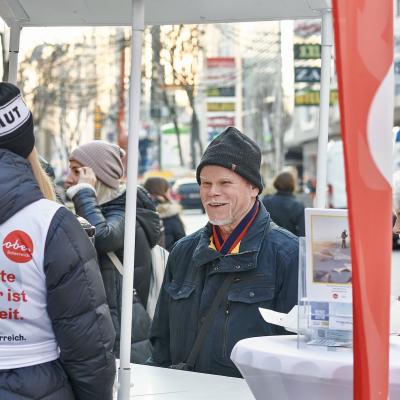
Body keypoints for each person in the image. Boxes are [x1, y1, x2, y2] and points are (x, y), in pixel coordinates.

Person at [150, 126, 299, 377]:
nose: (212, 192)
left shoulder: (288, 254)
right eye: (205, 183)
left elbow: (296, 354)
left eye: (224, 182)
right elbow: (161, 343)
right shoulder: (183, 252)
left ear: (253, 188)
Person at [0, 83, 116, 399]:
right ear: (27, 147)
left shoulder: (50, 222)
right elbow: (88, 344)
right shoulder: (51, 222)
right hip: (36, 381)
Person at [65, 140, 161, 363]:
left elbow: (102, 237)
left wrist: (84, 193)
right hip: (108, 330)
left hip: (123, 337)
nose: (69, 178)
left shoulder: (125, 212)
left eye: (77, 171)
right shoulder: (103, 211)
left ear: (98, 175)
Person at [144, 176, 186, 251]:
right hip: (167, 260)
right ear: (165, 191)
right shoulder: (170, 212)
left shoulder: (139, 212)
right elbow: (183, 244)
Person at [262, 171, 305, 236]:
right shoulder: (298, 206)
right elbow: (302, 233)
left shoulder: (266, 201)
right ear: (293, 185)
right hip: (289, 244)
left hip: (266, 243)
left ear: (276, 183)